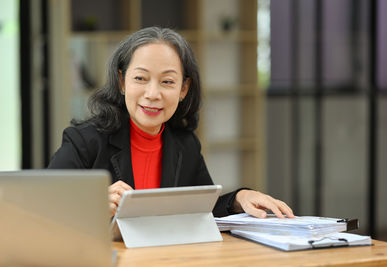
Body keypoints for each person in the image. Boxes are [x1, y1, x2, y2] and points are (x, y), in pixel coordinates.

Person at [48, 26, 294, 219]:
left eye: (167, 82)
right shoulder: (85, 140)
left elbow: (201, 207)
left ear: (184, 88)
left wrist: (240, 197)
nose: (153, 93)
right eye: (141, 78)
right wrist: (92, 203)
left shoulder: (184, 144)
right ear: (122, 82)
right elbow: (44, 204)